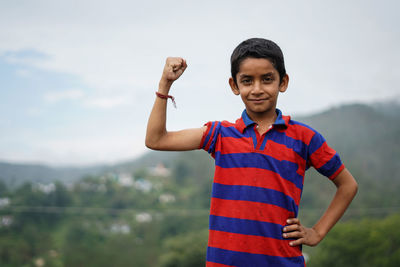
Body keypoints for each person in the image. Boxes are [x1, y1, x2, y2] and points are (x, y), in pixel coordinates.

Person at [145, 38, 358, 267]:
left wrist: (316, 232)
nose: (257, 89)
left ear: (283, 82)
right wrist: (165, 83)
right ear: (234, 86)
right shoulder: (220, 135)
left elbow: (347, 185)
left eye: (267, 79)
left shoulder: (304, 138)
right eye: (247, 81)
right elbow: (157, 139)